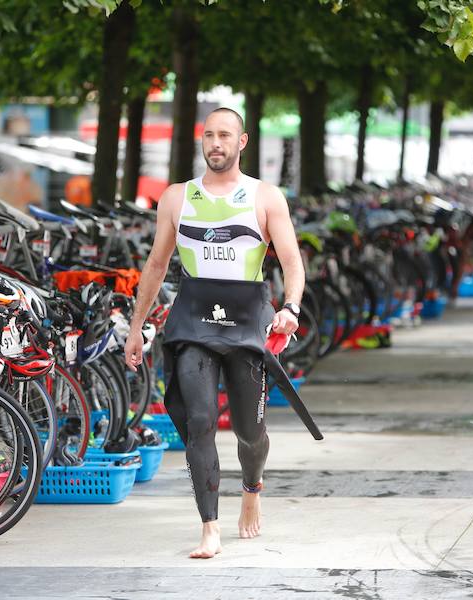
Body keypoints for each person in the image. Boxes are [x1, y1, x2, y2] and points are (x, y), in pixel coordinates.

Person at [123, 108, 305, 559]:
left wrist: (291, 308)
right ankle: (210, 529)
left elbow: (292, 261)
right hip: (192, 320)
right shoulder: (176, 198)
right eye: (208, 135)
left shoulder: (264, 197)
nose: (216, 143)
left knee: (249, 430)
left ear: (242, 142)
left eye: (225, 135)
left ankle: (251, 487)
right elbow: (156, 265)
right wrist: (136, 327)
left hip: (248, 319)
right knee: (200, 422)